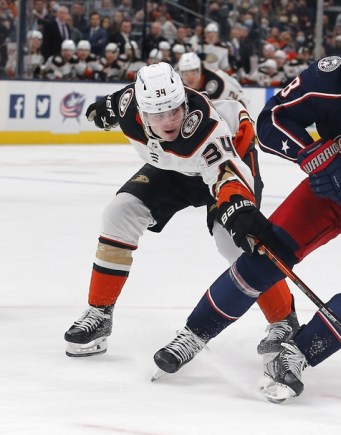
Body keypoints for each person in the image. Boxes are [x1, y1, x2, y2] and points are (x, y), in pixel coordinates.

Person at [152, 8, 341, 403]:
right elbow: (271, 122)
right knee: (265, 253)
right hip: (331, 189)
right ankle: (194, 334)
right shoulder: (329, 76)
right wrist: (314, 155)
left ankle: (295, 355)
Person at [63, 62, 293, 358]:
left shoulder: (206, 127)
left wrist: (239, 207)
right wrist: (102, 110)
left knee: (234, 240)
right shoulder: (127, 105)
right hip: (174, 167)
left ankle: (284, 320)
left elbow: (225, 174)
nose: (169, 121)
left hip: (229, 160)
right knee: (119, 212)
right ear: (141, 112)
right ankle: (99, 312)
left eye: (174, 110)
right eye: (157, 115)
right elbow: (114, 103)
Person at [177, 52, 246, 105]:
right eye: (185, 74)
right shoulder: (178, 86)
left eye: (193, 73)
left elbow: (240, 101)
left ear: (200, 70)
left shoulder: (218, 80)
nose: (190, 78)